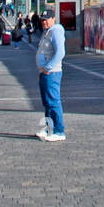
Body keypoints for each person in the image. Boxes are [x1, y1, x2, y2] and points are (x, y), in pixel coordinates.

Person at [35, 8, 66, 142]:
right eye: (42, 20)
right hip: (44, 72)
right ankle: (48, 128)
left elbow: (60, 52)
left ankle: (59, 131)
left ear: (53, 19)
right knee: (47, 102)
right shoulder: (47, 32)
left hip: (52, 72)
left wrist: (47, 68)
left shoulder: (56, 31)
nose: (44, 22)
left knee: (53, 102)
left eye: (46, 19)